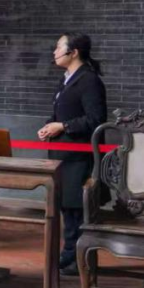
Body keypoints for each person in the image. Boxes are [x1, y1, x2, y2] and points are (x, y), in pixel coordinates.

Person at [38, 32, 107, 274]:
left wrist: (63, 126)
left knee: (77, 209)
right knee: (67, 207)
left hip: (79, 159)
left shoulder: (89, 80)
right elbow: (61, 113)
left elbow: (96, 119)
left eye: (59, 47)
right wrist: (50, 125)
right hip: (63, 156)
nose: (54, 52)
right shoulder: (67, 79)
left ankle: (77, 259)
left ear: (73, 52)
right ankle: (70, 254)